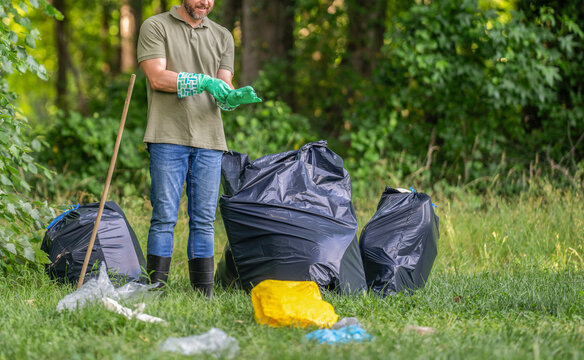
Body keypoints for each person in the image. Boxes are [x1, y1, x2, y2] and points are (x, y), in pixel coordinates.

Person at [137, 0, 260, 297]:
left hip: (210, 139)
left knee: (204, 219)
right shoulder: (156, 26)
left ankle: (203, 295)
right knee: (164, 216)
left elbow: (223, 89)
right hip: (167, 134)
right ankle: (155, 290)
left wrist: (232, 97)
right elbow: (156, 77)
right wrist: (203, 80)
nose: (204, 2)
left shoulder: (223, 36)